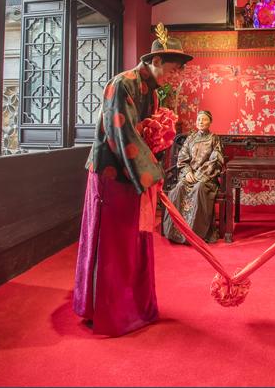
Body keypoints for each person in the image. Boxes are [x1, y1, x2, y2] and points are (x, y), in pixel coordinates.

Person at [73, 23, 192, 336]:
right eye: (173, 69)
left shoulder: (151, 93)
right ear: (155, 61)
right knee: (114, 245)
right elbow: (121, 133)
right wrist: (150, 175)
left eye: (178, 72)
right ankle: (111, 311)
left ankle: (135, 305)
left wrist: (152, 166)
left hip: (135, 174)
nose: (174, 77)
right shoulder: (123, 83)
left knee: (133, 242)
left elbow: (147, 136)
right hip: (112, 174)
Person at [162, 110, 224, 244]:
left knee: (199, 189)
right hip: (189, 176)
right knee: (179, 188)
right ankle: (176, 232)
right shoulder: (191, 138)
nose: (201, 122)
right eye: (199, 119)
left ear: (210, 122)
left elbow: (216, 160)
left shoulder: (214, 139)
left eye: (204, 119)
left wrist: (199, 174)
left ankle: (196, 234)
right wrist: (187, 172)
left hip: (206, 177)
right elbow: (182, 158)